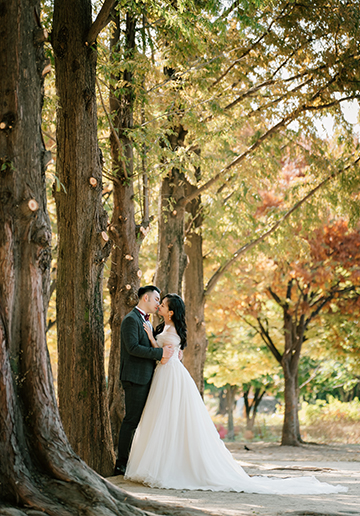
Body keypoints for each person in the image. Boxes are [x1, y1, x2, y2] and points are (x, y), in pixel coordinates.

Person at [124, 293, 347, 495]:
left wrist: (152, 340)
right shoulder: (164, 328)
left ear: (170, 312)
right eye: (159, 303)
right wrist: (155, 339)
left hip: (170, 375)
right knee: (161, 418)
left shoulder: (170, 331)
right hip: (165, 375)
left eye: (162, 305)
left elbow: (164, 356)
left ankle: (165, 466)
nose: (159, 306)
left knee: (169, 418)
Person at [114, 285, 174, 476]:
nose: (158, 303)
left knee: (143, 422)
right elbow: (132, 348)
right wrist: (160, 353)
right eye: (157, 299)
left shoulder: (146, 321)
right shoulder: (131, 320)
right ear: (145, 298)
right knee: (132, 421)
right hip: (135, 378)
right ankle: (121, 464)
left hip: (147, 377)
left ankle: (136, 463)